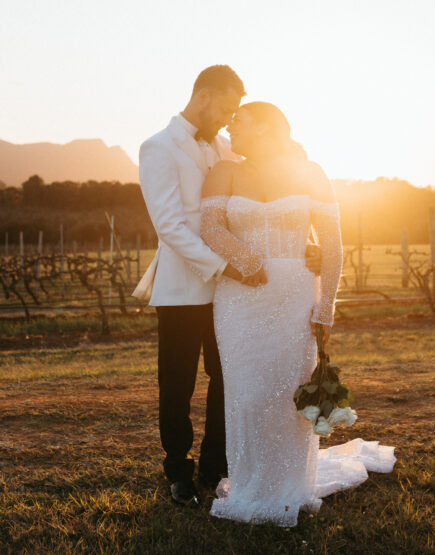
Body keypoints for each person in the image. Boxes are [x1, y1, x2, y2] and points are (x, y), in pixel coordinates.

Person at [199, 101, 395, 526]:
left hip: (295, 297)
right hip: (239, 300)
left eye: (240, 121)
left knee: (288, 391)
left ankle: (291, 483)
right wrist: (248, 262)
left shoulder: (311, 173)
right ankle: (250, 483)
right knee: (247, 395)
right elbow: (211, 227)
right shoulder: (224, 171)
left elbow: (332, 243)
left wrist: (326, 308)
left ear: (267, 129)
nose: (231, 127)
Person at [135, 66, 320, 508]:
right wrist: (226, 266)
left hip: (229, 296)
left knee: (228, 379)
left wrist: (304, 247)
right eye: (225, 107)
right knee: (176, 382)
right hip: (183, 287)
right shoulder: (157, 147)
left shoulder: (224, 147)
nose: (228, 118)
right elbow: (170, 226)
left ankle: (215, 466)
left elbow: (269, 202)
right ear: (202, 96)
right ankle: (177, 471)